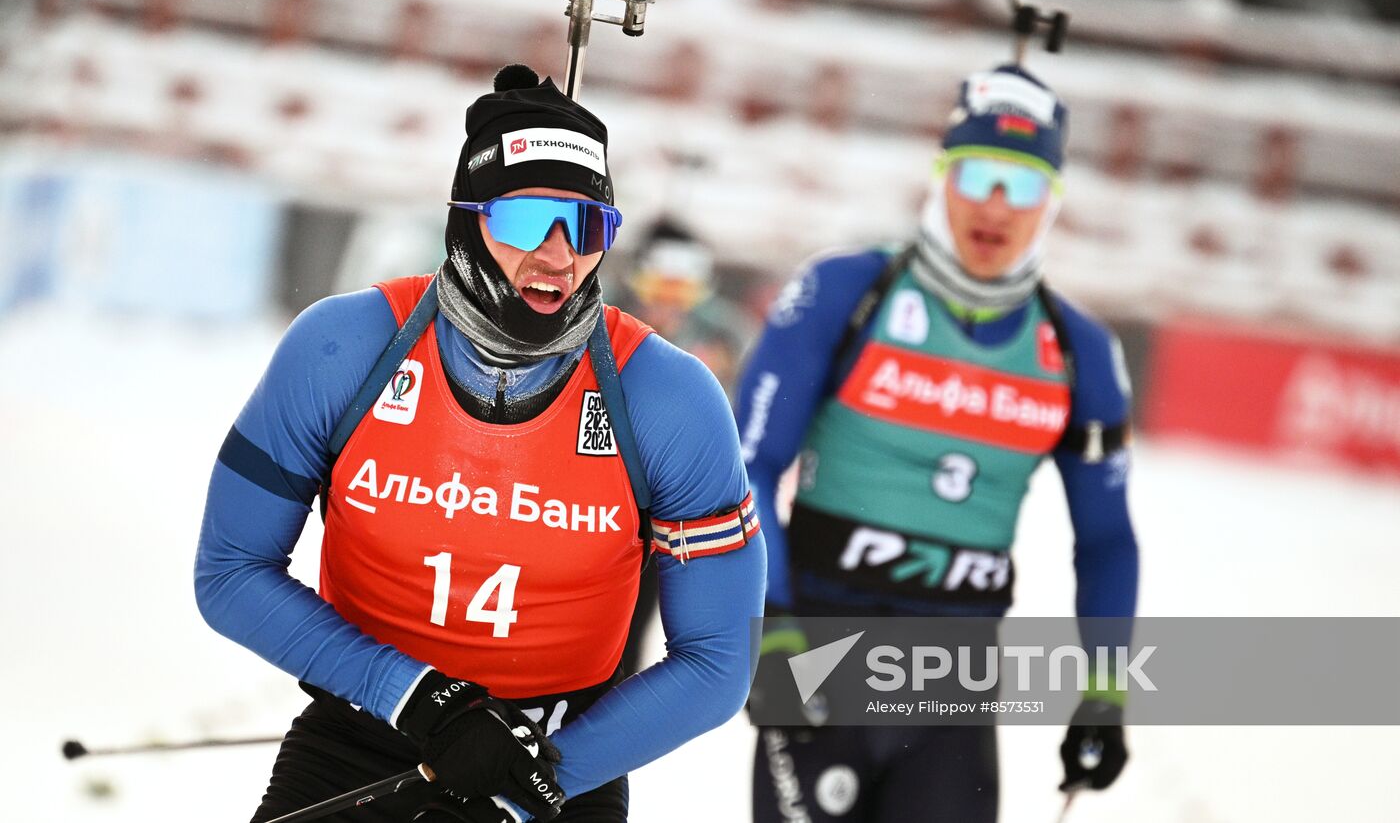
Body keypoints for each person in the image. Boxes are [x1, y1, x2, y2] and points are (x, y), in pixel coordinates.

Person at [196, 64, 765, 823]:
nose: (560, 257)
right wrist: (416, 697)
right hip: (360, 734)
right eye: (530, 221)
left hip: (555, 765)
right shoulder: (345, 348)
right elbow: (229, 572)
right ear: (467, 218)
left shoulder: (669, 397)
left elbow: (719, 663)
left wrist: (541, 773)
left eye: (588, 227)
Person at [736, 63, 1139, 822]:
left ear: (1050, 202)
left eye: (1021, 185)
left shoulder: (1077, 349)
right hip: (819, 653)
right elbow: (744, 467)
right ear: (941, 178)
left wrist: (1106, 692)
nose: (995, 207)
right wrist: (771, 622)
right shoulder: (846, 293)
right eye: (977, 175)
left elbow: (1109, 539)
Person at [609, 217, 757, 675]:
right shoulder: (598, 321)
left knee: (633, 636)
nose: (669, 305)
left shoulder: (721, 337)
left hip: (666, 513)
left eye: (684, 292)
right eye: (659, 288)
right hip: (594, 503)